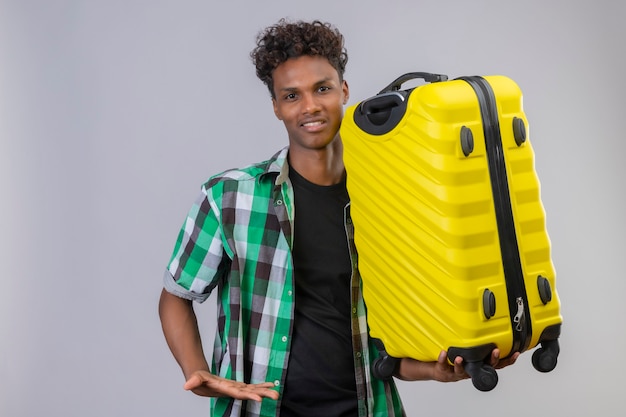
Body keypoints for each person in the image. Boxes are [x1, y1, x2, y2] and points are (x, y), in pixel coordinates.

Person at [158, 18, 518, 417]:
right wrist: (197, 371)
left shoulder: (389, 199)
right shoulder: (229, 196)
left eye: (322, 89)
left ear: (344, 90)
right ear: (276, 106)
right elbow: (176, 295)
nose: (310, 106)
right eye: (292, 96)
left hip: (366, 408)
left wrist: (436, 370)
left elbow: (384, 345)